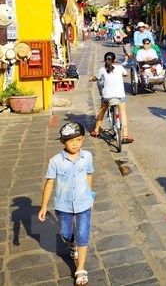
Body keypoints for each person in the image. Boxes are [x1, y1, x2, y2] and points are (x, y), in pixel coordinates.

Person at [38, 121, 94, 286]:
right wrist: (43, 207)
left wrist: (91, 196)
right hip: (63, 205)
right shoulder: (56, 161)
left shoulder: (87, 156)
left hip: (84, 202)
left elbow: (89, 175)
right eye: (71, 140)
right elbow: (49, 183)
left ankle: (80, 268)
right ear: (63, 141)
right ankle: (71, 243)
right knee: (66, 233)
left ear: (83, 139)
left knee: (83, 235)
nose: (75, 144)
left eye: (78, 140)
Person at [90, 52, 133, 143]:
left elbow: (96, 78)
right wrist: (124, 74)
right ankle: (125, 135)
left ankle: (96, 130)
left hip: (107, 96)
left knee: (102, 110)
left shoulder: (102, 69)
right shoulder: (120, 68)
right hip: (119, 96)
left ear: (105, 60)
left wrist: (92, 79)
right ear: (114, 60)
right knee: (123, 113)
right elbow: (126, 74)